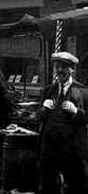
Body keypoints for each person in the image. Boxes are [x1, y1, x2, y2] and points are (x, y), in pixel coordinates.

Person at [38, 51, 88, 194]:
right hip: (50, 148)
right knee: (48, 186)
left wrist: (77, 111)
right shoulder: (48, 91)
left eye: (64, 67)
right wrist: (43, 109)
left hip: (72, 149)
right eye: (57, 67)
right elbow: (38, 117)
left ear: (72, 69)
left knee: (76, 185)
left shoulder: (83, 91)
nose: (60, 70)